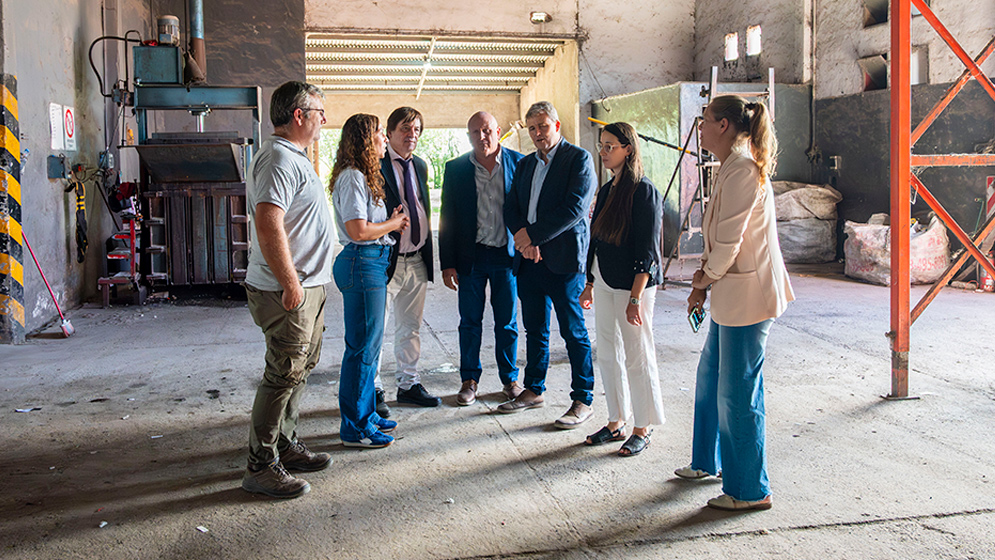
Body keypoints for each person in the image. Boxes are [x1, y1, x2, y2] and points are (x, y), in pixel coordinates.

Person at [674, 95, 795, 511]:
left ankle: (749, 489)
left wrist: (702, 281)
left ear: (723, 125)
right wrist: (703, 284)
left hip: (748, 296)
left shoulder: (742, 169)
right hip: (731, 293)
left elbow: (728, 242)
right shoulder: (730, 166)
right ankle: (707, 461)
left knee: (738, 391)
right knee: (712, 378)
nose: (701, 129)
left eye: (705, 121)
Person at [241, 81, 334, 499]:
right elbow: (268, 222)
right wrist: (291, 282)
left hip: (307, 287)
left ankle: (283, 444)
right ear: (299, 115)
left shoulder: (294, 156)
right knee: (282, 375)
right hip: (287, 291)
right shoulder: (279, 158)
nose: (323, 119)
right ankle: (260, 466)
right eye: (318, 111)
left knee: (299, 369)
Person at [498, 101, 598, 429]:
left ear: (557, 126)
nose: (538, 134)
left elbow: (574, 208)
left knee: (573, 331)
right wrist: (523, 239)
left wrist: (533, 239)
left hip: (564, 262)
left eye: (543, 126)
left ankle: (583, 398)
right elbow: (511, 206)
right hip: (529, 262)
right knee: (535, 328)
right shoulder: (526, 165)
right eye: (532, 129)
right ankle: (534, 389)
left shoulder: (578, 159)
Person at [579, 122, 665, 456]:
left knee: (637, 355)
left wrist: (635, 298)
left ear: (628, 149)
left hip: (633, 287)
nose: (603, 152)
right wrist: (589, 282)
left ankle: (642, 427)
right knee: (608, 353)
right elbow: (595, 241)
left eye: (609, 146)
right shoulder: (607, 189)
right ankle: (616, 421)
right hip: (603, 281)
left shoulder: (643, 191)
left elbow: (647, 251)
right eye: (601, 145)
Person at [331, 113, 409, 449]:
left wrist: (389, 221)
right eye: (379, 133)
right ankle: (355, 427)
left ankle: (366, 415)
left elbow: (367, 223)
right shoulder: (351, 177)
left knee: (369, 348)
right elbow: (357, 230)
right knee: (361, 350)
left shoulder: (363, 176)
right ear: (365, 139)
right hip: (361, 263)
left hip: (371, 263)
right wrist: (392, 226)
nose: (383, 138)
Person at [439, 111, 527, 406]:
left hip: (506, 257)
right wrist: (447, 262)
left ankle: (510, 380)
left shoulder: (519, 164)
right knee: (470, 321)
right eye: (475, 132)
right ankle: (469, 380)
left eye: (487, 130)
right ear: (468, 136)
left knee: (507, 323)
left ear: (498, 131)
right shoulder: (456, 169)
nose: (482, 137)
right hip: (471, 259)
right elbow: (447, 218)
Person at [373, 106, 441, 414]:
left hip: (416, 259)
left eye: (416, 130)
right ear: (389, 133)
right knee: (377, 329)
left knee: (410, 327)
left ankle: (408, 385)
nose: (411, 135)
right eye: (405, 129)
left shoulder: (422, 166)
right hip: (386, 260)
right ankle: (372, 389)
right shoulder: (374, 165)